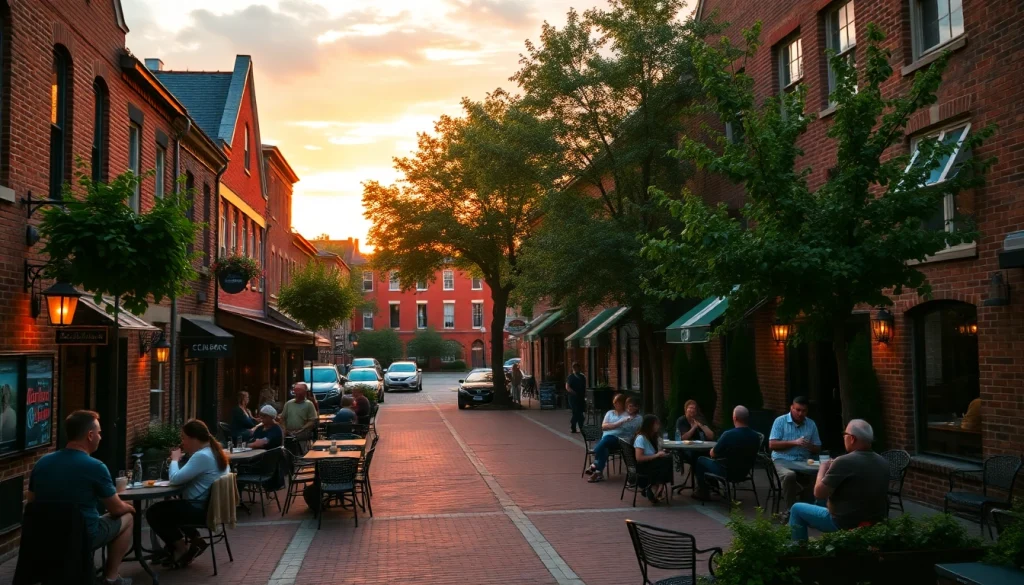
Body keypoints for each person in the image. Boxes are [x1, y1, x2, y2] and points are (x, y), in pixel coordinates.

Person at [27, 411, 135, 585]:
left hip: (45, 535)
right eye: (99, 433)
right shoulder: (95, 467)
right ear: (90, 435)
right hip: (82, 536)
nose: (100, 437)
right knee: (127, 517)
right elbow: (116, 509)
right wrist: (129, 507)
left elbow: (31, 502)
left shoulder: (42, 463)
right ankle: (111, 578)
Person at [146, 420, 230, 566]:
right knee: (170, 506)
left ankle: (180, 549)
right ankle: (195, 540)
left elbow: (175, 479)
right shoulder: (215, 452)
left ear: (194, 438)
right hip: (211, 508)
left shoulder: (202, 456)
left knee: (153, 512)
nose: (182, 442)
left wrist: (174, 460)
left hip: (200, 510)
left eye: (184, 438)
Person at [789, 419, 890, 540]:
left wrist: (823, 468)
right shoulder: (883, 462)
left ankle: (799, 549)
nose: (843, 437)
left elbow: (818, 493)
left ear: (852, 438)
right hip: (875, 521)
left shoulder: (843, 461)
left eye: (845, 434)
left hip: (844, 523)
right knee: (823, 500)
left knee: (796, 509)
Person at [693, 406, 761, 500]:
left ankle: (703, 491)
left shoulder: (728, 434)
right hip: (744, 473)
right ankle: (714, 487)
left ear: (734, 418)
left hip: (726, 472)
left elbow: (713, 454)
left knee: (701, 460)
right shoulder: (756, 436)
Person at [769, 396, 822, 515]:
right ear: (791, 408)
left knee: (822, 471)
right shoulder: (780, 421)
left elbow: (818, 448)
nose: (800, 413)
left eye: (804, 411)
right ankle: (792, 511)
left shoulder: (811, 424)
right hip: (782, 459)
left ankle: (812, 509)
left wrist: (809, 446)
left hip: (803, 461)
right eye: (797, 410)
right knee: (790, 475)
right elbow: (772, 444)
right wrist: (794, 442)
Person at [585, 394, 641, 482]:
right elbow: (603, 427)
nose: (615, 405)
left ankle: (595, 464)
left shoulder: (628, 415)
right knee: (604, 448)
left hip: (618, 439)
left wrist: (611, 426)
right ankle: (598, 472)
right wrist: (616, 424)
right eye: (614, 403)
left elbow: (625, 429)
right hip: (606, 440)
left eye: (618, 403)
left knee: (605, 441)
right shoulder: (610, 413)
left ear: (623, 403)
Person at [633, 414, 674, 504]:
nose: (658, 426)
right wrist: (656, 455)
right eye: (656, 424)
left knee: (668, 459)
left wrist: (661, 452)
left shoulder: (653, 437)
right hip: (643, 466)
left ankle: (657, 485)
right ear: (649, 425)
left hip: (653, 464)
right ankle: (658, 486)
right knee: (666, 462)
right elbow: (639, 458)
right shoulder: (641, 438)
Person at [565, 362, 586, 433]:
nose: (576, 369)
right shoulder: (570, 377)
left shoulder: (582, 376)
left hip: (581, 397)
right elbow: (567, 387)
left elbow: (584, 386)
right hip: (573, 398)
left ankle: (575, 427)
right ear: (573, 368)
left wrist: (585, 394)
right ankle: (575, 425)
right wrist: (573, 392)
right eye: (574, 367)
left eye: (577, 367)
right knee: (577, 412)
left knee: (579, 412)